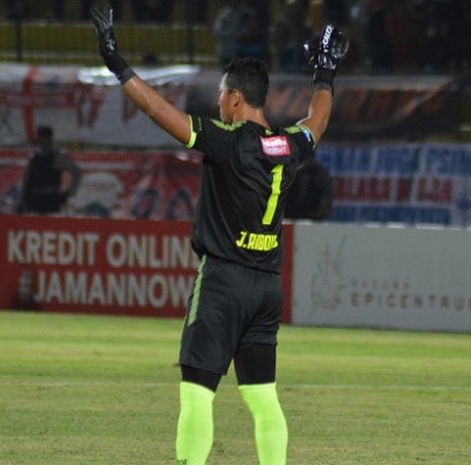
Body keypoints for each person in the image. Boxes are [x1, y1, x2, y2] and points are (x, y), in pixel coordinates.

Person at [90, 5, 348, 464]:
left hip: (224, 282)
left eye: (222, 94)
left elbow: (157, 110)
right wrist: (325, 74)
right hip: (267, 286)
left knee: (197, 395)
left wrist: (116, 63)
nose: (218, 103)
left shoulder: (227, 140)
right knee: (262, 396)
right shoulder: (288, 143)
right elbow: (319, 122)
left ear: (234, 100)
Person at [19, 126, 82, 215]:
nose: (42, 142)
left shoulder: (57, 158)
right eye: (40, 138)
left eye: (45, 138)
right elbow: (27, 180)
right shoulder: (34, 158)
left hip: (51, 201)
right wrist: (23, 200)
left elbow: (77, 173)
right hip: (34, 201)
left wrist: (68, 194)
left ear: (50, 139)